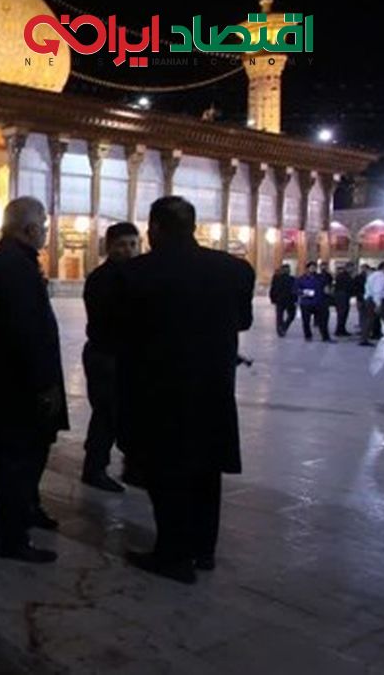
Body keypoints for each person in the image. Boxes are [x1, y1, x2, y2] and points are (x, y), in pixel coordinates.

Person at [114, 196, 254, 584]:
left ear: (155, 228)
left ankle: (173, 555)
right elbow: (242, 321)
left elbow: (116, 334)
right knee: (206, 471)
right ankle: (203, 550)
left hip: (158, 393)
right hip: (212, 390)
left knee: (166, 472)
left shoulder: (136, 274)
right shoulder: (234, 270)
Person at [0, 196, 67, 563]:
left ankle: (24, 512)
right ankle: (12, 537)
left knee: (16, 457)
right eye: (43, 226)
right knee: (15, 460)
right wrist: (43, 386)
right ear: (29, 229)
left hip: (6, 382)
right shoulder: (14, 266)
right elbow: (25, 332)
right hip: (18, 388)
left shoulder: (5, 260)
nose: (45, 232)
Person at [81, 222, 141, 493]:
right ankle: (94, 467)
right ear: (109, 247)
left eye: (133, 244)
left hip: (122, 355)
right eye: (121, 245)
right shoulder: (103, 279)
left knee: (121, 411)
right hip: (106, 355)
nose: (128, 251)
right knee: (107, 413)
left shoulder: (134, 274)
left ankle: (129, 465)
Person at [295, 261, 332, 343]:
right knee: (306, 321)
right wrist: (305, 292)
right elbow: (296, 290)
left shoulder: (320, 278)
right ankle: (308, 336)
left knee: (323, 321)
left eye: (314, 267)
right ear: (307, 269)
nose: (313, 269)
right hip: (306, 303)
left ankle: (325, 336)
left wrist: (327, 291)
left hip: (319, 302)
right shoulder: (301, 279)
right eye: (311, 267)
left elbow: (326, 287)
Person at [269, 264, 296, 338]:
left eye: (288, 269)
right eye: (285, 269)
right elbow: (273, 289)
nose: (287, 271)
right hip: (281, 300)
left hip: (288, 300)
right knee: (280, 316)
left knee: (290, 315)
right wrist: (272, 298)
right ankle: (280, 329)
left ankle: (283, 327)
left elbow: (295, 289)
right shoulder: (277, 278)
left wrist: (295, 298)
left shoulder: (292, 279)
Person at [333, 263, 355, 336]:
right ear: (347, 268)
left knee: (344, 313)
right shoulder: (343, 276)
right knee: (342, 314)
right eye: (351, 268)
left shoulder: (347, 275)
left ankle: (342, 329)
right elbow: (346, 286)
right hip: (342, 296)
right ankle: (339, 330)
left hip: (344, 296)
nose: (352, 269)